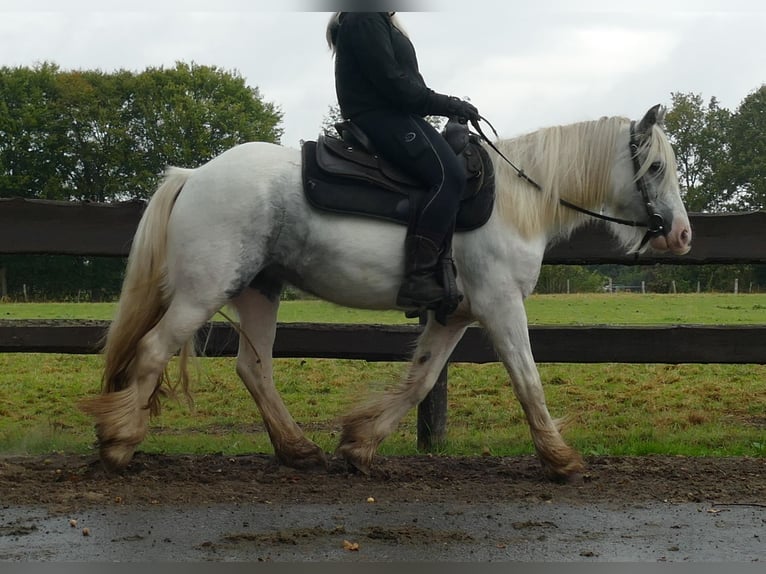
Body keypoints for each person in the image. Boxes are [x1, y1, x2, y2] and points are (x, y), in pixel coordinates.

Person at [326, 11, 480, 311]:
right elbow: (394, 84)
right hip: (380, 116)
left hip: (396, 115)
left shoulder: (377, 18)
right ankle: (418, 277)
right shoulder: (365, 17)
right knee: (450, 177)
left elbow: (405, 84)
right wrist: (449, 104)